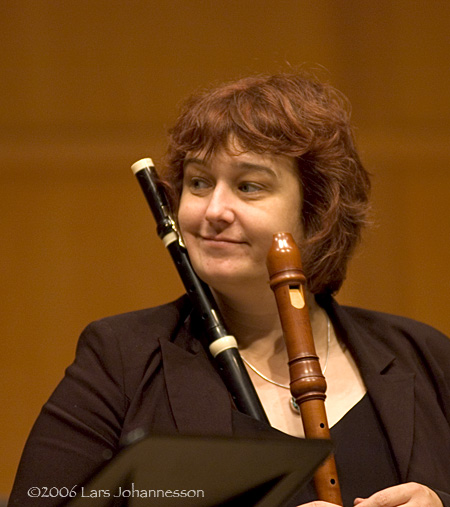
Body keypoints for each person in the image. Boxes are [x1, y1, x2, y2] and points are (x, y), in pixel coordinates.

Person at [9, 72, 450, 507]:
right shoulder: (122, 358)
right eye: (199, 183)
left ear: (316, 210)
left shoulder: (426, 355)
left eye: (248, 186)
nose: (214, 210)